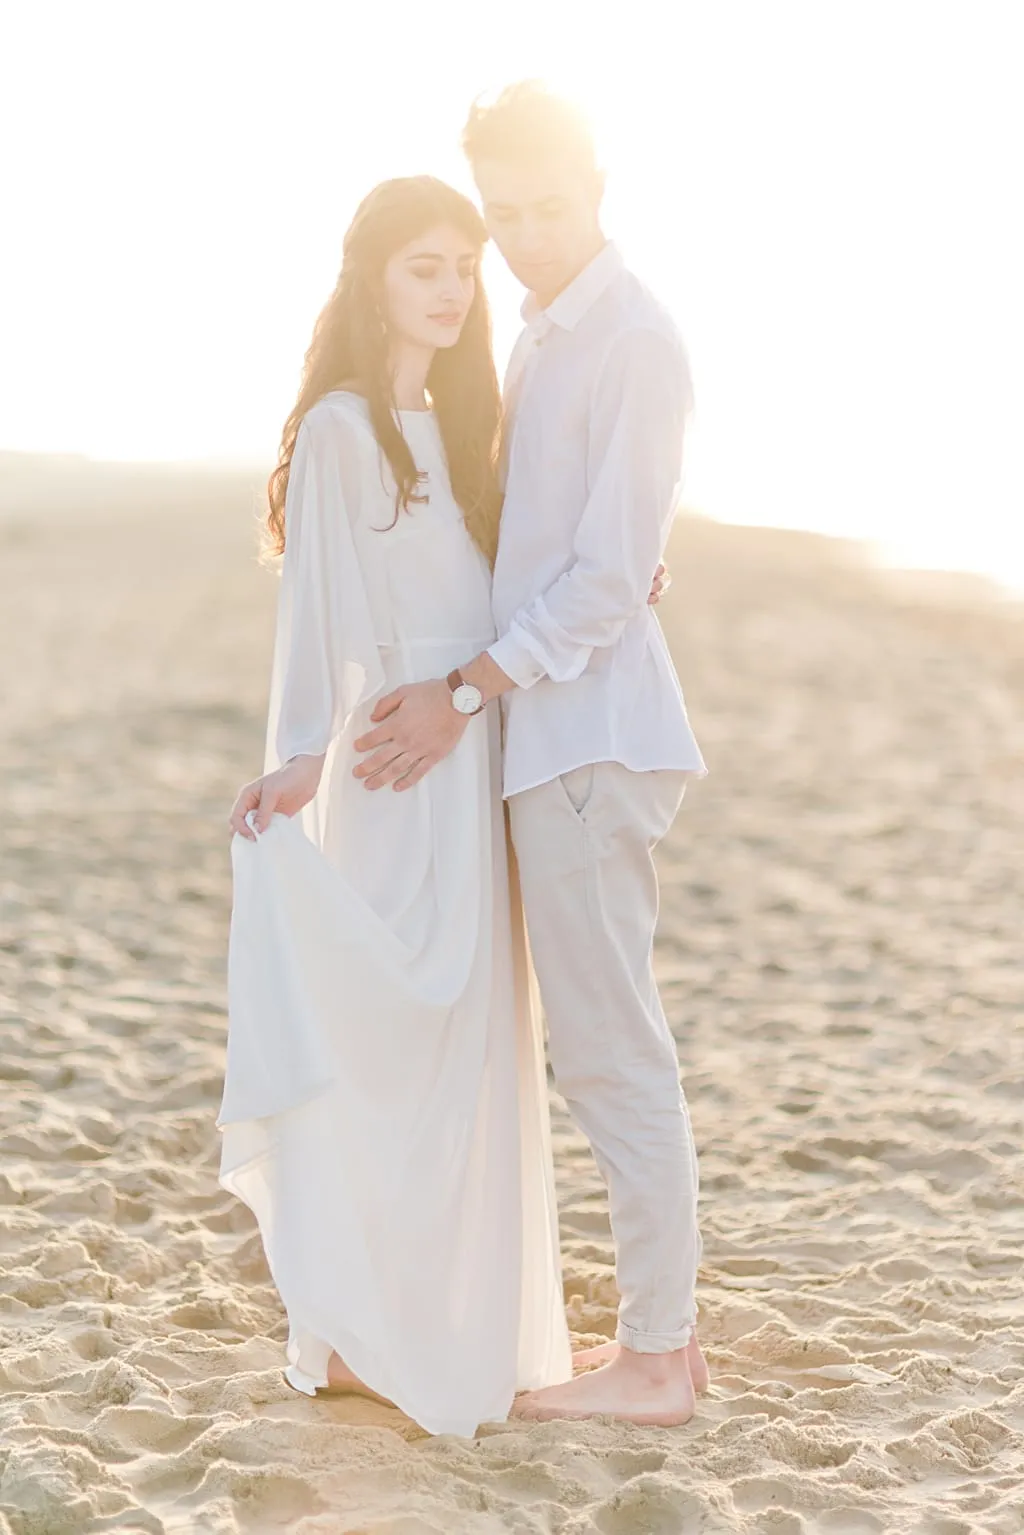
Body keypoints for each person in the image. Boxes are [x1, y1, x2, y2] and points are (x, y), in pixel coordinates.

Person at [350, 83, 711, 1426]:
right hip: (552, 736)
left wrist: (460, 689)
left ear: (599, 185)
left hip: (586, 743)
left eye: (546, 206)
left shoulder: (634, 338)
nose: (526, 236)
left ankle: (659, 1361)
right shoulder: (545, 335)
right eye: (503, 217)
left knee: (614, 1053)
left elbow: (608, 573)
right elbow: (574, 546)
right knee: (602, 1050)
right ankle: (666, 1343)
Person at [217, 175, 580, 1438]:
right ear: (372, 274)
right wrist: (305, 760)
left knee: (473, 1054)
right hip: (386, 774)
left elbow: (517, 595)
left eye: (462, 267)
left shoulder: (472, 427)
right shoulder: (338, 429)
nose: (449, 287)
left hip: (470, 764)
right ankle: (359, 1328)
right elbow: (315, 619)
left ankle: (448, 1321)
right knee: (384, 1050)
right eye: (424, 263)